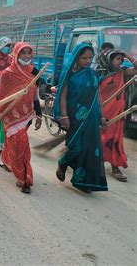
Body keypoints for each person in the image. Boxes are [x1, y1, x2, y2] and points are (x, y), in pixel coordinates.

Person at [53, 42, 108, 193]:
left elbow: (98, 98)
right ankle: (63, 162)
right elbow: (63, 97)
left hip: (92, 117)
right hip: (74, 117)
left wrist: (103, 117)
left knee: (90, 148)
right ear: (77, 58)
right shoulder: (68, 74)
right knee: (76, 148)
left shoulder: (94, 75)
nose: (88, 61)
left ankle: (82, 181)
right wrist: (64, 116)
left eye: (90, 57)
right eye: (84, 58)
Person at [0, 42, 42, 194]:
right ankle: (24, 177)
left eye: (29, 53)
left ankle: (7, 161)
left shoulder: (34, 71)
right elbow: (0, 96)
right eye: (23, 53)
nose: (26, 56)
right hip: (10, 116)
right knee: (21, 143)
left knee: (14, 142)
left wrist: (39, 114)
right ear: (16, 54)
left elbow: (35, 95)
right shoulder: (7, 73)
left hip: (27, 115)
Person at [96, 49, 137, 182]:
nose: (120, 62)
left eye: (121, 59)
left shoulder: (123, 72)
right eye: (117, 59)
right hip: (102, 113)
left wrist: (128, 56)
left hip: (118, 114)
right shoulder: (100, 74)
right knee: (100, 138)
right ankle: (89, 160)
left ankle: (115, 167)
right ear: (109, 60)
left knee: (115, 140)